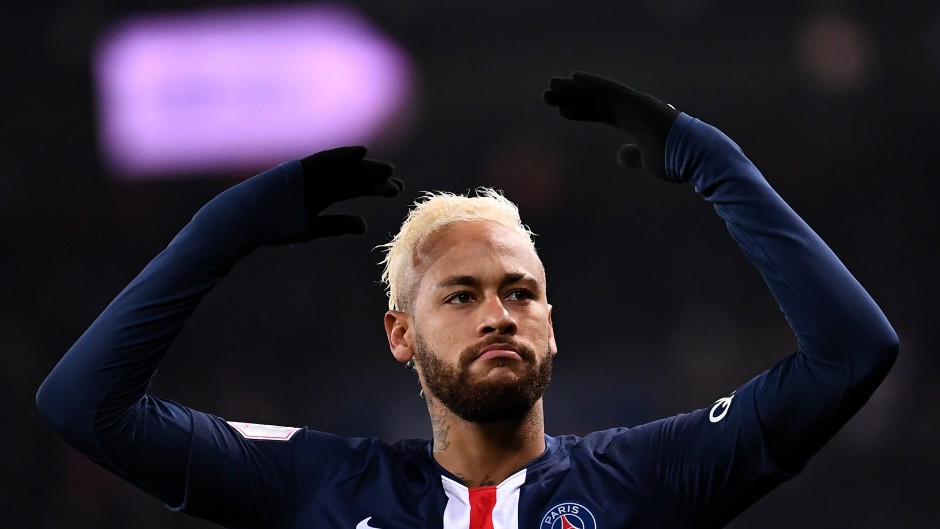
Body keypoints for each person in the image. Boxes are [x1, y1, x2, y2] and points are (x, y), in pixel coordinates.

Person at [37, 72, 898, 529]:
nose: (500, 313)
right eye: (463, 294)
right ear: (400, 335)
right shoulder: (316, 486)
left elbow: (851, 355)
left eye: (522, 292)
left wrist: (716, 164)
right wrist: (222, 229)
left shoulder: (649, 479)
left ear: (552, 327)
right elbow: (84, 405)